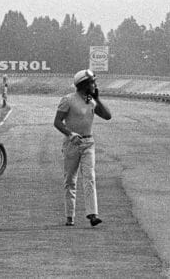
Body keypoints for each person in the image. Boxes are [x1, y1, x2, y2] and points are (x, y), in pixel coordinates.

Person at [53, 69, 112, 227]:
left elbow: (107, 116)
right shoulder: (68, 100)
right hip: (72, 143)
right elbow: (57, 122)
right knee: (70, 180)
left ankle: (93, 214)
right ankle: (69, 215)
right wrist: (70, 134)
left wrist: (97, 99)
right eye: (92, 82)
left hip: (88, 142)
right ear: (84, 84)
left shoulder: (91, 101)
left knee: (90, 178)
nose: (95, 85)